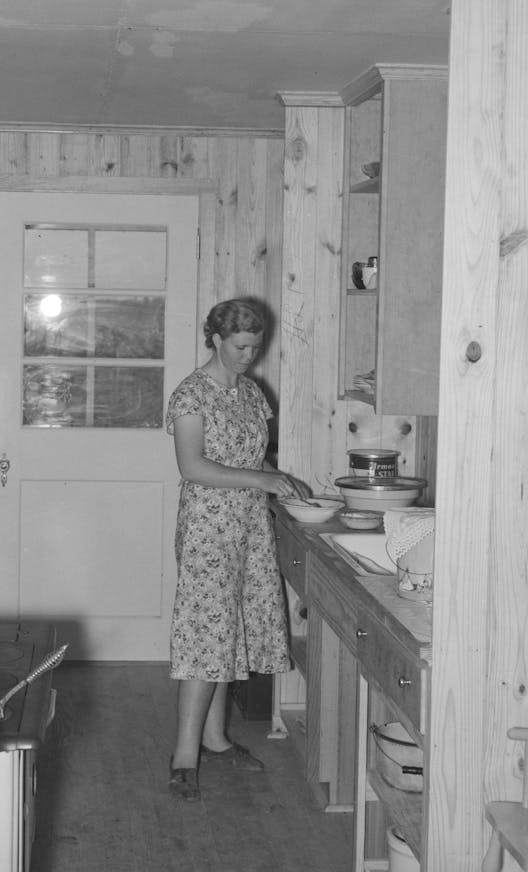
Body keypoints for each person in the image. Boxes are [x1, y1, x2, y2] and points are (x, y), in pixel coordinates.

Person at [165, 297, 304, 802]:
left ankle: (216, 740)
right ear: (216, 339)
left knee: (231, 630)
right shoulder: (190, 395)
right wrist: (261, 480)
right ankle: (183, 757)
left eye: (255, 348)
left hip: (248, 525)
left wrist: (281, 481)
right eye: (240, 347)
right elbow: (193, 467)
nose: (248, 356)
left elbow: (252, 454)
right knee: (207, 635)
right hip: (208, 527)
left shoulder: (250, 393)